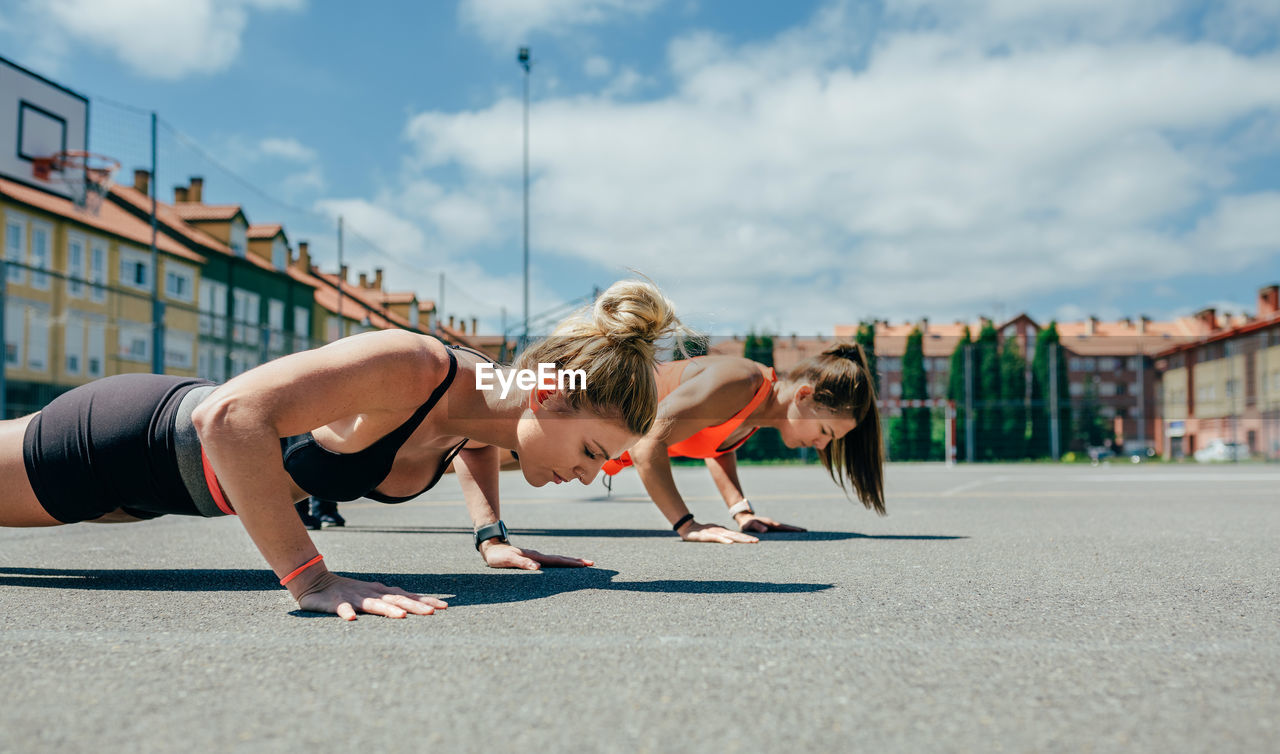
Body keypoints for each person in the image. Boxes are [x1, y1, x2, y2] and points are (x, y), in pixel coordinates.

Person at [0, 279, 683, 619]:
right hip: (128, 447)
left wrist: (492, 537)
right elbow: (229, 416)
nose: (592, 474)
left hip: (159, 495)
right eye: (593, 451)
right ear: (548, 397)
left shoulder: (492, 406)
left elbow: (473, 444)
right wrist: (311, 579)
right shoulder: (413, 366)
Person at [602, 343, 884, 543]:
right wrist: (686, 524)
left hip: (592, 444)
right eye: (824, 430)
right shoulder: (741, 382)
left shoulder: (756, 409)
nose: (821, 445)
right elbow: (647, 439)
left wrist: (742, 512)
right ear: (804, 395)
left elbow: (716, 446)